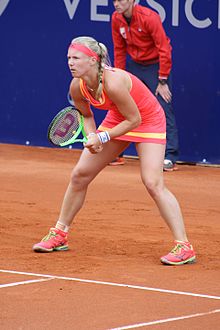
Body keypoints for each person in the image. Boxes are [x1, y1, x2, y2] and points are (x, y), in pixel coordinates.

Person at [32, 36, 196, 265]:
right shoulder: (77, 85)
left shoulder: (114, 82)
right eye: (68, 58)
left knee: (152, 182)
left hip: (146, 119)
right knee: (80, 175)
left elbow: (135, 119)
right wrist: (92, 135)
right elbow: (87, 115)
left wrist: (104, 136)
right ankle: (59, 233)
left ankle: (184, 246)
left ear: (92, 60)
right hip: (119, 117)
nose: (70, 62)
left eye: (76, 58)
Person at [111, 0, 179, 171]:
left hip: (156, 67)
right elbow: (119, 49)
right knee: (122, 105)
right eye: (114, 0)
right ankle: (115, 152)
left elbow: (164, 48)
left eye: (121, 0)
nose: (116, 4)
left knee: (163, 107)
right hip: (134, 66)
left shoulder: (149, 17)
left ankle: (169, 156)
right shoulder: (116, 18)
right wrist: (118, 77)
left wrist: (162, 80)